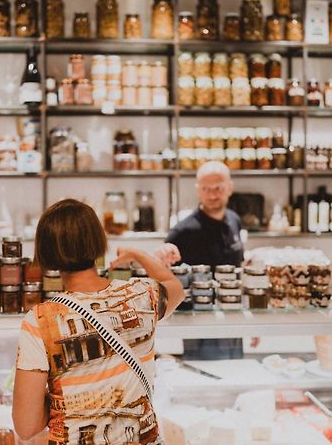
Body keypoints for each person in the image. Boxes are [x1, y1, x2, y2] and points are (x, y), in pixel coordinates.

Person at [13, 199, 184, 444]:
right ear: (98, 242)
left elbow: (26, 427)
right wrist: (137, 255)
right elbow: (176, 288)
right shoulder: (142, 295)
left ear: (46, 251)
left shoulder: (41, 320)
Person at [155, 160, 245, 360]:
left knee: (237, 372)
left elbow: (239, 266)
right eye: (206, 188)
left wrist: (249, 324)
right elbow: (162, 268)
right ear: (198, 190)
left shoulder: (234, 220)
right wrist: (162, 254)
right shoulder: (184, 231)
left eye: (218, 188)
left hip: (233, 315)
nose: (212, 194)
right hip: (200, 321)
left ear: (229, 188)